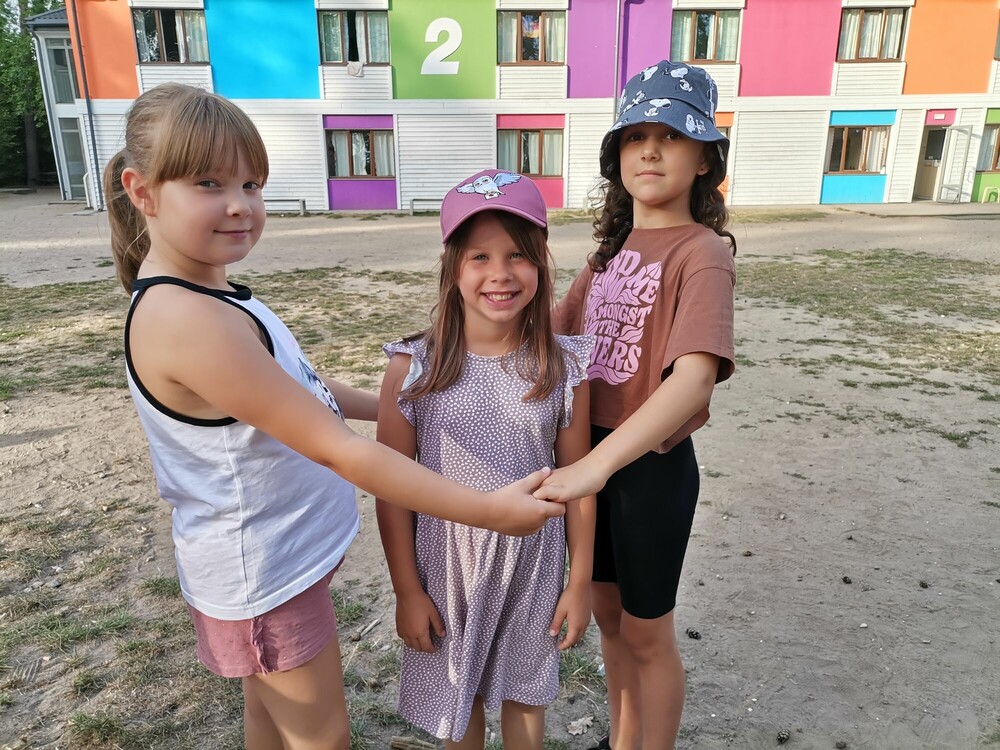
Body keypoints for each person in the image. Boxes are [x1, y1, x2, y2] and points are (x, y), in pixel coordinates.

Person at [103, 84, 565, 750]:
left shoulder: (214, 292)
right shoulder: (184, 319)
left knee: (269, 723)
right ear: (142, 191)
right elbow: (340, 450)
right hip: (264, 577)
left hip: (276, 565)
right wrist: (491, 511)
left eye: (251, 184)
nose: (239, 205)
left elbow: (302, 389)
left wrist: (417, 402)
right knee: (322, 739)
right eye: (209, 183)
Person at [535, 60, 737, 750]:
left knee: (649, 636)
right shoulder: (607, 255)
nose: (650, 151)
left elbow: (693, 380)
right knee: (610, 621)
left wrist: (597, 468)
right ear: (616, 156)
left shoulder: (702, 252)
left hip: (648, 469)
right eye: (635, 136)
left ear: (705, 158)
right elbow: (546, 340)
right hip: (587, 463)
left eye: (672, 135)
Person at [375, 169, 596, 750]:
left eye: (518, 255)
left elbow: (579, 483)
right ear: (452, 269)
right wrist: (407, 591)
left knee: (527, 697)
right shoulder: (412, 370)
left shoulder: (564, 368)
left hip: (534, 568)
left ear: (541, 264)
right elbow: (390, 489)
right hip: (447, 571)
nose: (501, 273)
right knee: (459, 701)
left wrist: (578, 583)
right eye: (480, 257)